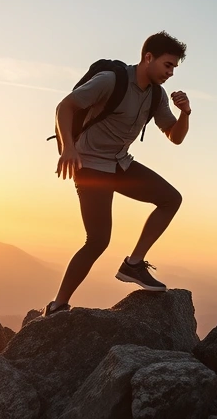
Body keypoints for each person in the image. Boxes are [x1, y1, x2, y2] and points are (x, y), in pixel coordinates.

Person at [44, 31, 191, 316]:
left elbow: (175, 136)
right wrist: (68, 149)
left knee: (171, 199)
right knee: (98, 240)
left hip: (120, 163)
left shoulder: (156, 96)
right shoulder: (111, 80)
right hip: (89, 165)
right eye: (167, 65)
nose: (171, 73)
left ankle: (133, 264)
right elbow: (65, 106)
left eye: (174, 67)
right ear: (148, 57)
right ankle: (57, 305)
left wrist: (185, 113)